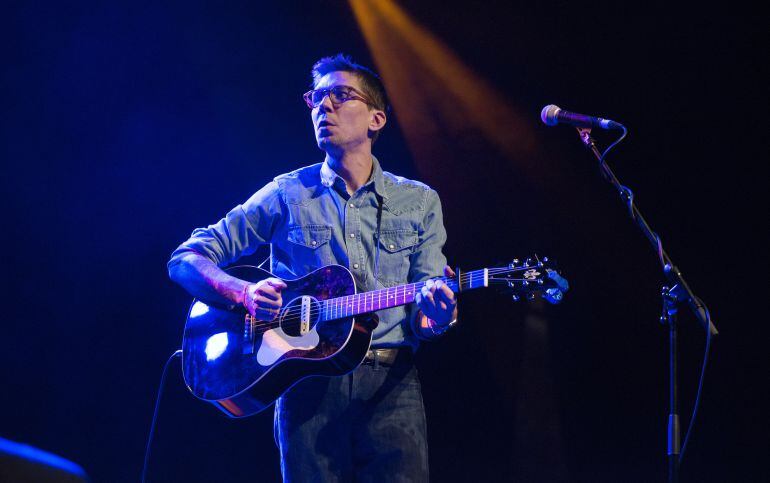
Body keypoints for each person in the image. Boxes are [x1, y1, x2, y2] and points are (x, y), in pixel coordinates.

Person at [168, 53, 457, 482]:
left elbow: (426, 316)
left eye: (340, 95)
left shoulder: (419, 200)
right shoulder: (287, 192)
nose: (324, 106)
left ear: (376, 119)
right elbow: (186, 258)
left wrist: (437, 316)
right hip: (305, 388)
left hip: (392, 385)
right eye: (317, 98)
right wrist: (242, 292)